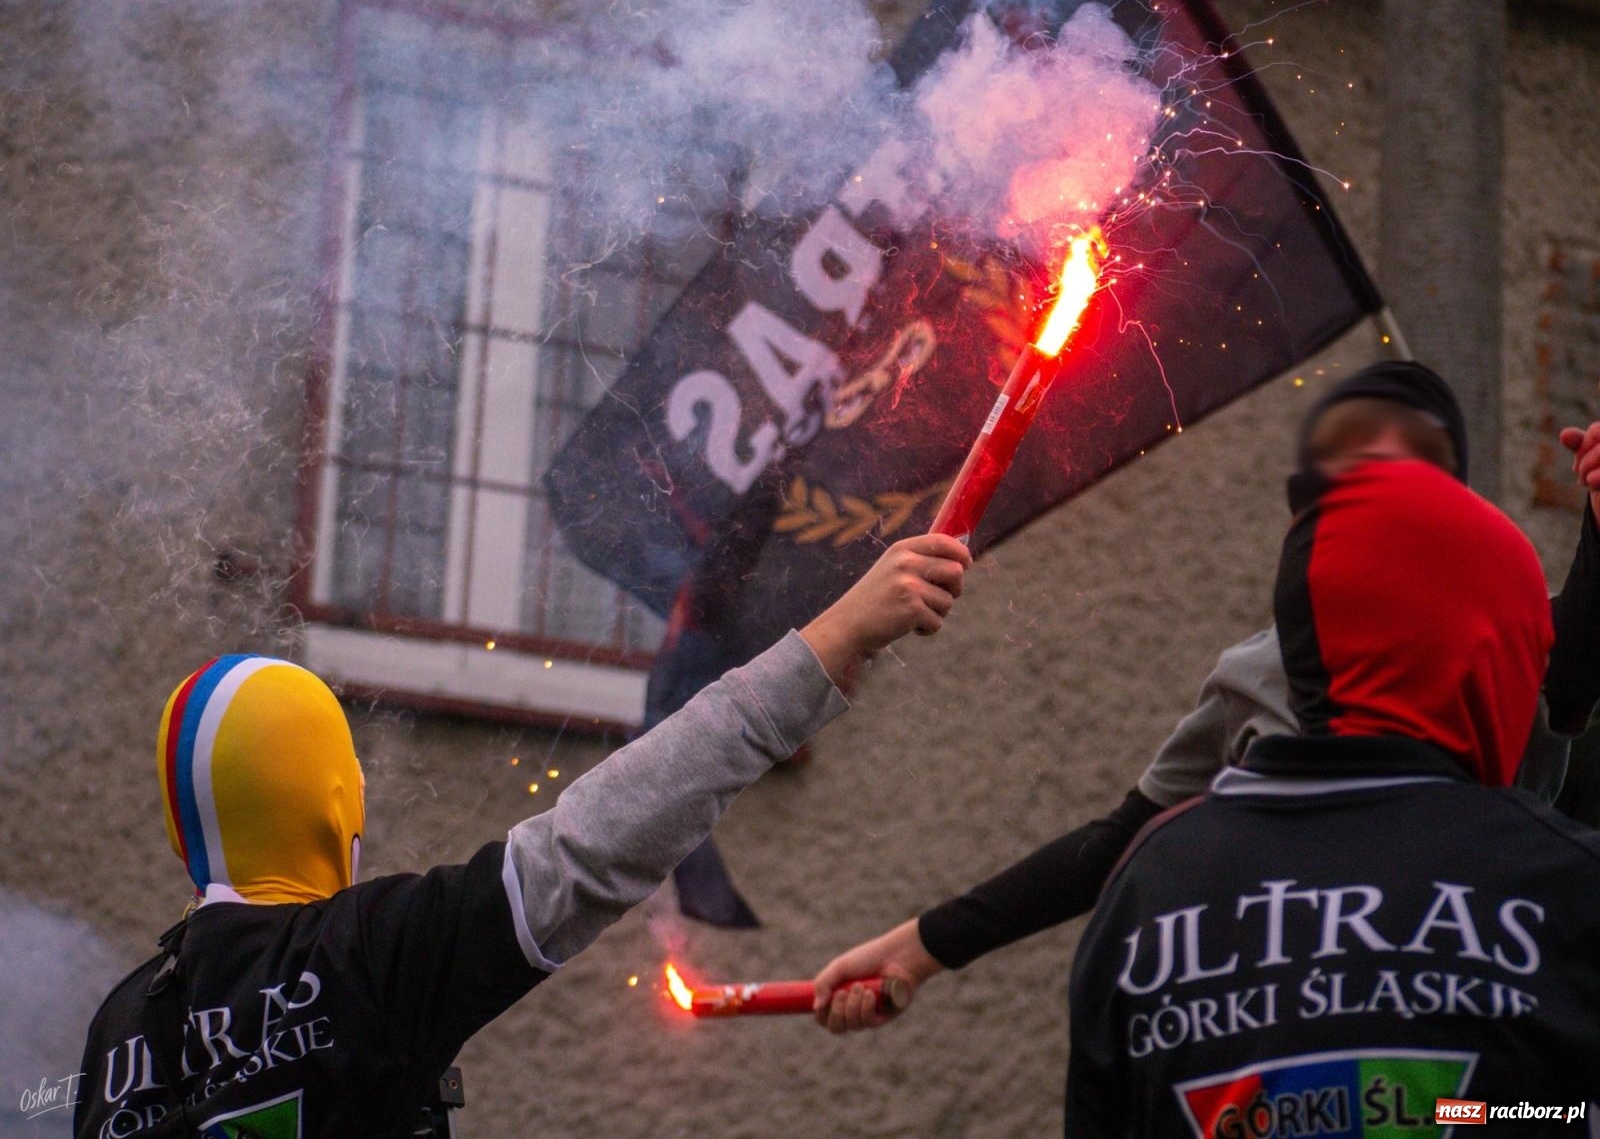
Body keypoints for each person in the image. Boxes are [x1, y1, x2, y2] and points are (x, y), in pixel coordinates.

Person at [73, 533, 971, 1139]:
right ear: (333, 803)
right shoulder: (366, 959)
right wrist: (834, 635)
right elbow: (597, 841)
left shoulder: (121, 1029)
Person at [812, 361, 1600, 1032]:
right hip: (1291, 1032)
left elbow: (1574, 665)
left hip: (1466, 1041)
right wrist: (925, 945)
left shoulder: (1506, 636)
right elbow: (1120, 841)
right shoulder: (1255, 675)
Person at [1065, 457, 1600, 1134]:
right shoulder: (1565, 884)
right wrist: (1454, 1111)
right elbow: (1545, 1115)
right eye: (1530, 647)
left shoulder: (1148, 889)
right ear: (1486, 654)